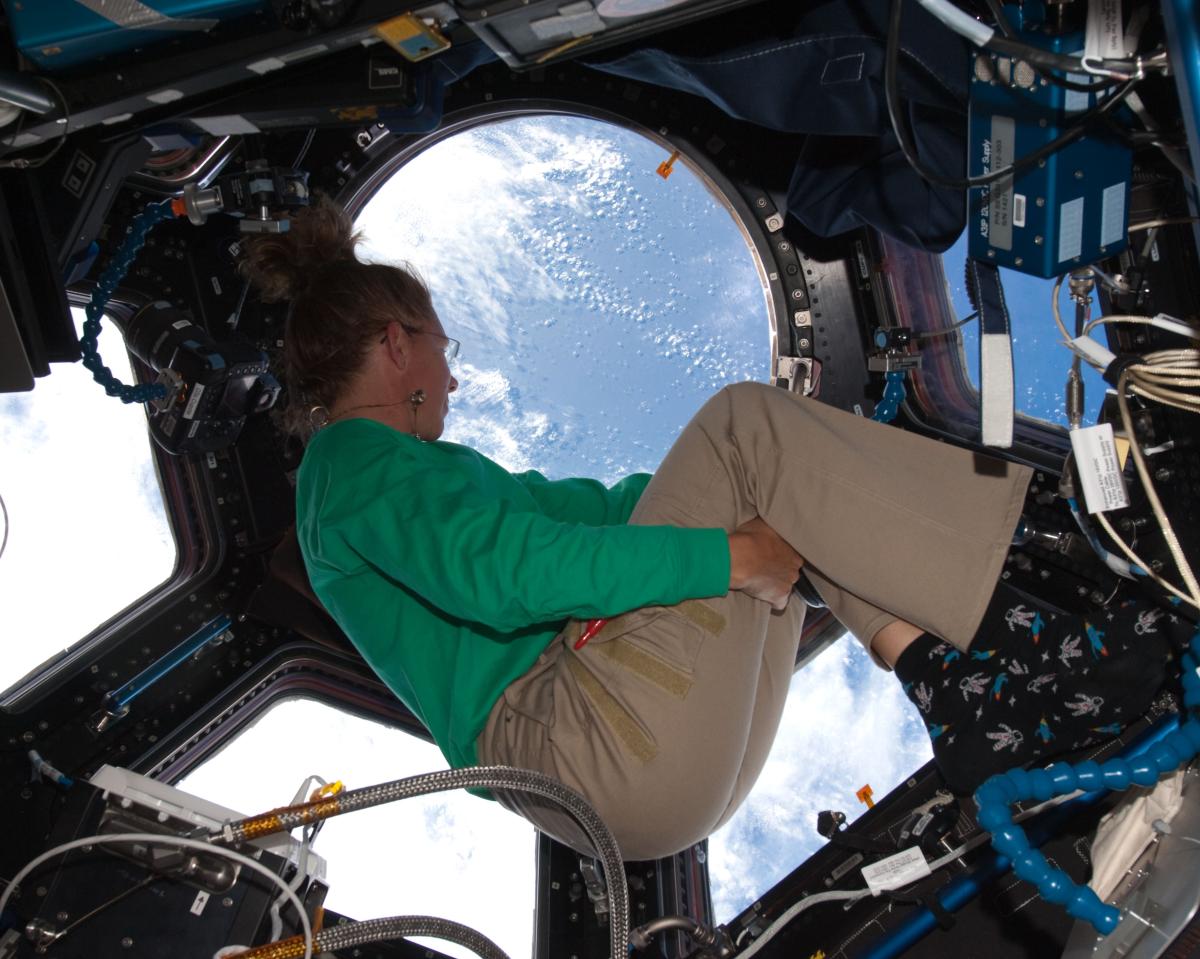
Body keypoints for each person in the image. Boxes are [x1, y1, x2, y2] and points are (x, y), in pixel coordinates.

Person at [243, 199, 1179, 861]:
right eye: (446, 350)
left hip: (650, 782)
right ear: (399, 344)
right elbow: (508, 575)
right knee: (747, 423)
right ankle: (1058, 575)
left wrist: (769, 503)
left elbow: (620, 507)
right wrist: (731, 544)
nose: (452, 377)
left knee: (773, 483)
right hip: (584, 740)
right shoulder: (346, 465)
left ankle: (961, 688)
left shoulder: (425, 481)